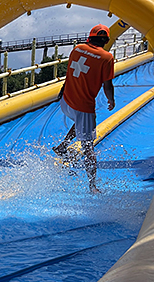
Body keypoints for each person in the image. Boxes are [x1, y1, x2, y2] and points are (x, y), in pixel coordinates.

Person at [52, 24, 115, 194]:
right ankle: (92, 185)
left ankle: (63, 146)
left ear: (90, 37)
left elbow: (70, 73)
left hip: (66, 102)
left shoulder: (77, 49)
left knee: (82, 123)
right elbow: (107, 84)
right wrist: (111, 100)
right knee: (89, 149)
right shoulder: (107, 57)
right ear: (106, 40)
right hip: (83, 107)